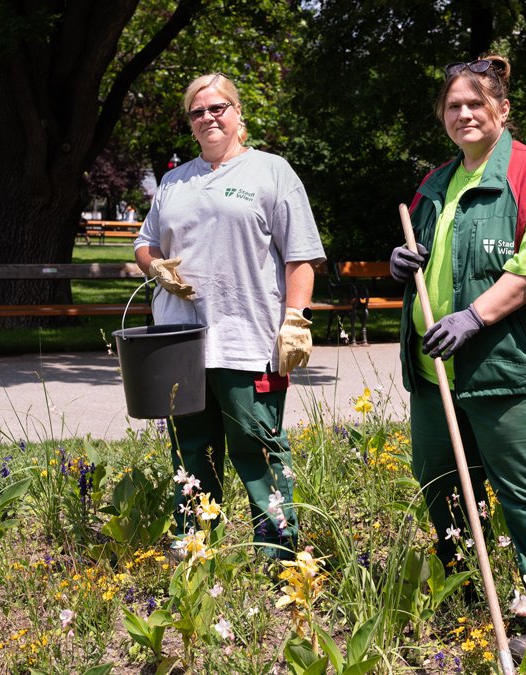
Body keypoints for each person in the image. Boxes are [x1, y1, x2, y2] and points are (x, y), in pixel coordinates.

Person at [388, 54, 526, 661]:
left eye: (476, 103)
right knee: (444, 491)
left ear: (503, 110)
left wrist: (474, 317)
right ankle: (468, 600)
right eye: (453, 105)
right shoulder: (434, 183)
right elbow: (434, 256)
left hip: (519, 374)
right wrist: (408, 263)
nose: (464, 114)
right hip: (440, 377)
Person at [133, 72, 325, 560]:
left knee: (256, 445)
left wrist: (296, 319)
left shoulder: (272, 172)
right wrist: (157, 267)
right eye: (198, 113)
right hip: (179, 340)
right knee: (191, 449)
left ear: (238, 113)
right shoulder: (175, 182)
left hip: (248, 339)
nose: (208, 118)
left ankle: (278, 549)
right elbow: (144, 242)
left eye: (217, 108)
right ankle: (193, 542)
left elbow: (300, 254)